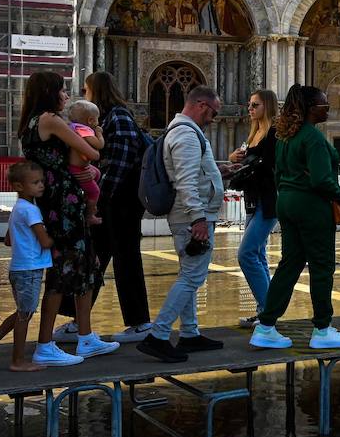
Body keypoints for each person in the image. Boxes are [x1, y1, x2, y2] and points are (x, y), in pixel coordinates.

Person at [19, 71, 115, 366]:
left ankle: (85, 337)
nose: (66, 96)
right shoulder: (50, 119)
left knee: (85, 265)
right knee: (62, 273)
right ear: (49, 92)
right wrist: (95, 134)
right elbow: (92, 153)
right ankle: (45, 343)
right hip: (64, 202)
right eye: (62, 90)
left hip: (55, 199)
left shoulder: (30, 124)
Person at [250, 86, 340, 349]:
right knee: (322, 266)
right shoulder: (313, 138)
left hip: (286, 201)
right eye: (324, 104)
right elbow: (322, 179)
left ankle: (266, 326)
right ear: (311, 108)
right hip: (311, 205)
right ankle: (323, 328)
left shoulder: (287, 136)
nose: (328, 107)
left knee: (290, 264)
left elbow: (277, 173)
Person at [138, 85, 226, 362]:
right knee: (192, 277)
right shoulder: (187, 135)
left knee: (188, 274)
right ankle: (158, 335)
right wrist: (198, 217)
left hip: (187, 214)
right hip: (191, 217)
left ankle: (189, 333)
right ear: (201, 105)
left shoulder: (181, 132)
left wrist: (219, 172)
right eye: (213, 113)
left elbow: (190, 173)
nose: (213, 119)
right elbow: (186, 181)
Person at [85, 71, 152, 342]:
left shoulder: (118, 115)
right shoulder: (108, 118)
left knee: (127, 258)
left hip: (120, 200)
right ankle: (75, 319)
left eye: (87, 90)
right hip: (113, 199)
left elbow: (122, 159)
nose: (84, 94)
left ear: (97, 91)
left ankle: (140, 322)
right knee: (94, 257)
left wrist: (101, 196)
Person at [0, 162, 56, 372]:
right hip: (29, 269)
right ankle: (18, 360)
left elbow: (9, 240)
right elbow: (45, 242)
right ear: (19, 186)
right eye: (35, 182)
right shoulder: (31, 211)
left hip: (19, 268)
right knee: (24, 315)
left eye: (41, 182)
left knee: (22, 313)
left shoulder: (18, 209)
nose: (41, 186)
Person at [232, 89, 278, 328]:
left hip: (268, 200)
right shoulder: (253, 134)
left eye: (255, 105)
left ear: (267, 107)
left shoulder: (274, 134)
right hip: (252, 199)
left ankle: (269, 312)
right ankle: (265, 311)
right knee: (258, 255)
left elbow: (270, 166)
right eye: (249, 105)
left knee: (246, 254)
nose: (250, 109)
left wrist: (248, 162)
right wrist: (235, 158)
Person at [65, 99, 104, 226]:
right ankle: (90, 215)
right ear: (91, 120)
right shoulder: (84, 130)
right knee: (95, 191)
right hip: (78, 169)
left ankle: (90, 202)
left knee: (97, 173)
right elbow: (99, 145)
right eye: (97, 119)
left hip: (81, 166)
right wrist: (99, 134)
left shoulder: (72, 127)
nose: (98, 122)